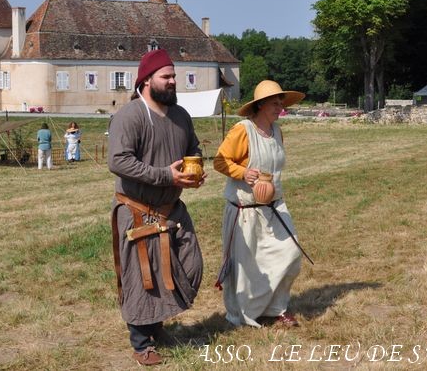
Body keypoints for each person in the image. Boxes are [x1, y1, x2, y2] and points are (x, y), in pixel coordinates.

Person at [108, 49, 205, 366]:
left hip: (171, 208)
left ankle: (158, 325)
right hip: (139, 209)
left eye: (174, 76)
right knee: (143, 278)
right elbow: (119, 161)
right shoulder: (130, 116)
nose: (173, 81)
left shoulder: (181, 116)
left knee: (188, 267)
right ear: (146, 80)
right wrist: (164, 174)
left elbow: (194, 149)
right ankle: (141, 343)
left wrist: (194, 173)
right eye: (167, 76)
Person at [213, 79, 306, 329]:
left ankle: (277, 307)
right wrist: (242, 173)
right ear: (261, 105)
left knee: (290, 254)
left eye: (281, 103)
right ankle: (245, 313)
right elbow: (220, 162)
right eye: (275, 103)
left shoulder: (277, 131)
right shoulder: (243, 130)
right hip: (246, 210)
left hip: (274, 207)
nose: (279, 107)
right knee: (249, 268)